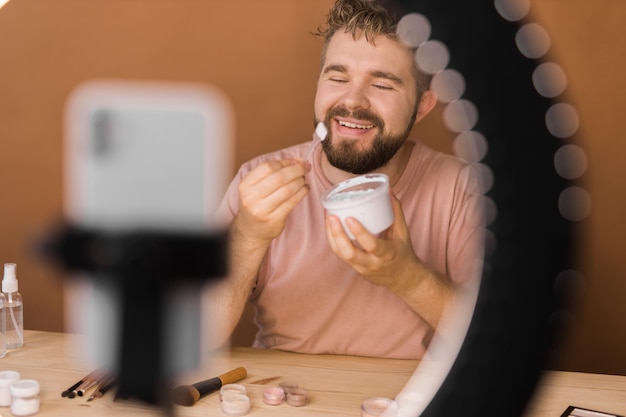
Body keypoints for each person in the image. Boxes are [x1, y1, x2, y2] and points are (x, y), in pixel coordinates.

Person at [205, 0, 484, 359]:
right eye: (337, 78)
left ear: (423, 106)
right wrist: (247, 235)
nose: (352, 101)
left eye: (382, 85)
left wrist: (407, 278)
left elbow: (498, 338)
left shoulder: (461, 187)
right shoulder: (257, 182)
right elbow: (192, 335)